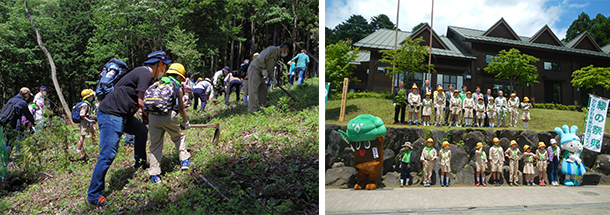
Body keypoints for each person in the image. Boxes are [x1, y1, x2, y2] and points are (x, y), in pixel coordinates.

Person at [87, 51, 172, 206]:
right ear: (159, 63)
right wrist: (153, 114)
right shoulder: (145, 73)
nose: (164, 69)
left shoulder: (140, 73)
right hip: (111, 114)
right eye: (165, 66)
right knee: (108, 153)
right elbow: (141, 101)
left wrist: (144, 117)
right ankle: (94, 194)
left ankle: (140, 163)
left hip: (122, 114)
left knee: (141, 131)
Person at [147, 63, 192, 183]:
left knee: (155, 145)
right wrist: (186, 122)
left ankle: (154, 175)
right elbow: (181, 109)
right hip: (168, 116)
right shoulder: (176, 86)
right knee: (178, 137)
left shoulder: (157, 84)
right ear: (179, 76)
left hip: (153, 117)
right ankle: (184, 160)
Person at [247, 42, 291, 113]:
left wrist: (272, 78)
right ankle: (252, 110)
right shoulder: (272, 49)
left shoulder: (277, 55)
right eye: (287, 52)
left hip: (261, 72)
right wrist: (264, 69)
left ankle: (262, 106)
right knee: (253, 90)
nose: (286, 54)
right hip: (255, 69)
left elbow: (270, 67)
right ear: (284, 49)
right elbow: (261, 58)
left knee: (263, 89)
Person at [76, 89, 97, 154]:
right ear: (87, 97)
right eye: (90, 96)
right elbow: (82, 115)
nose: (91, 97)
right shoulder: (85, 104)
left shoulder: (89, 104)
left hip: (89, 123)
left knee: (93, 133)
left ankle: (94, 146)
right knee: (83, 136)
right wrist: (89, 120)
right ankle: (78, 150)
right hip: (84, 123)